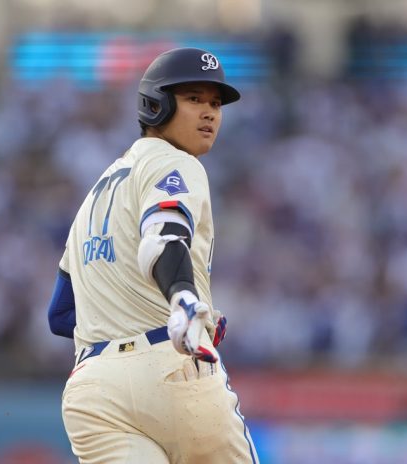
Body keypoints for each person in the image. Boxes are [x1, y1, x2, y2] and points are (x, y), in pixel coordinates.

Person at [47, 47, 259, 464]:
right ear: (156, 104)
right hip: (170, 368)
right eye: (194, 98)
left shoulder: (94, 197)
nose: (209, 113)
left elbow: (60, 315)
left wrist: (124, 328)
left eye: (216, 103)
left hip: (93, 393)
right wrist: (182, 299)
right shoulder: (174, 162)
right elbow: (164, 234)